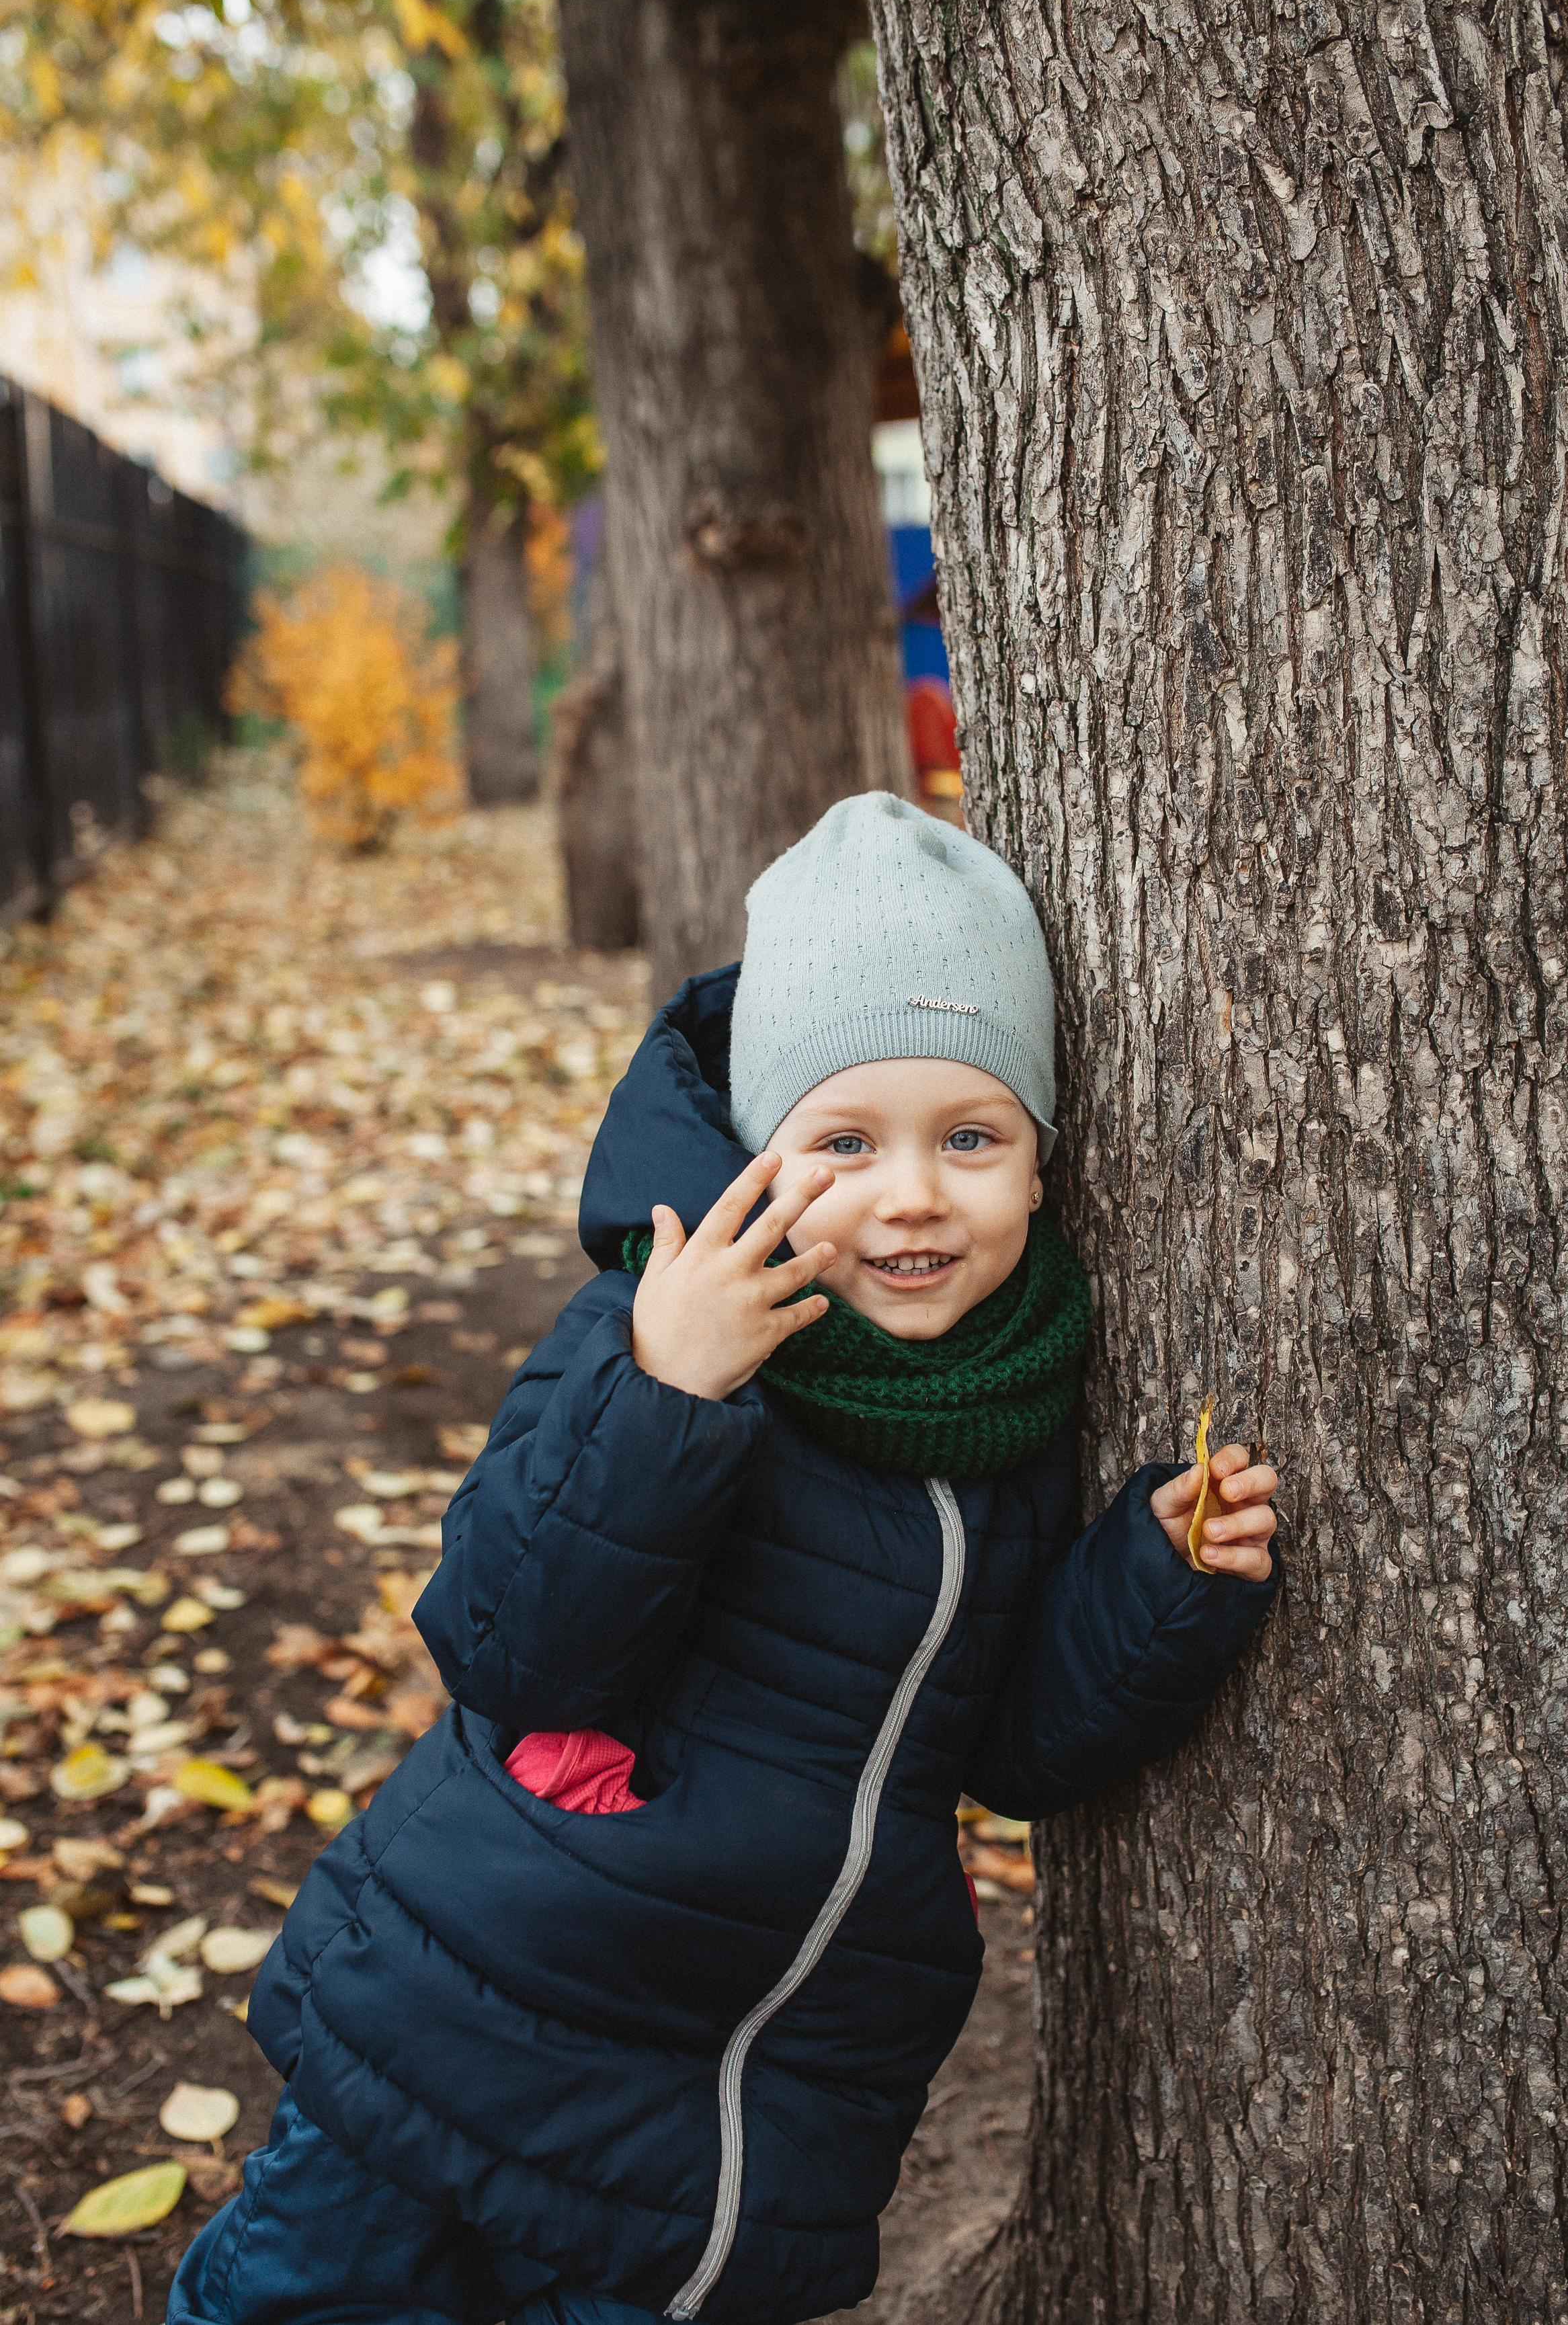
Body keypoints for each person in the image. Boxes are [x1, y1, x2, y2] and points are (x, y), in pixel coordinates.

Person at [169, 793, 1280, 2325]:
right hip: (479, 2008)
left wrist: (1149, 1588)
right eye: (844, 1140)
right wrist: (664, 1396)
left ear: (1039, 1165)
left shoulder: (1018, 1406)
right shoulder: (664, 1327)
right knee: (313, 2297)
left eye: (970, 1137)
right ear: (763, 1152)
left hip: (741, 2102)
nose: (910, 1193)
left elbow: (1002, 1746)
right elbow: (509, 1643)